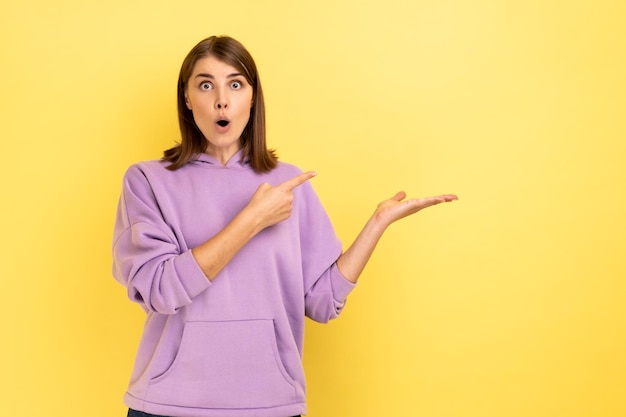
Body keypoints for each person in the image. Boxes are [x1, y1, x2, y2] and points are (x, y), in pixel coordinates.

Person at [112, 35, 457, 417]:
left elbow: (322, 301)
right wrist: (251, 219)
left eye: (235, 84)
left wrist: (377, 224)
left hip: (269, 404)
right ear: (187, 98)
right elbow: (159, 290)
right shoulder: (147, 181)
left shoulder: (289, 185)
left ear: (252, 98)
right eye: (205, 84)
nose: (221, 100)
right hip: (167, 406)